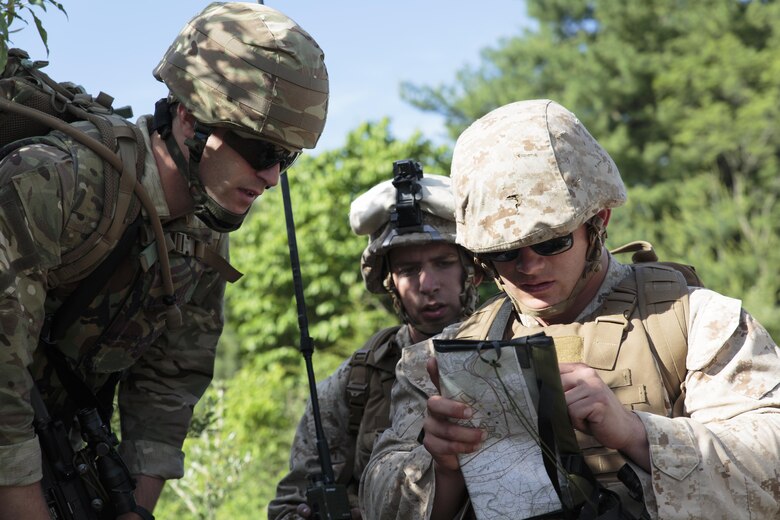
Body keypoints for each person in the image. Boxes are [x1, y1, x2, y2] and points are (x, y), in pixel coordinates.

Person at [359, 99, 780, 519]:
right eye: (505, 252)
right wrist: (442, 467)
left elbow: (769, 465)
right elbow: (377, 503)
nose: (529, 265)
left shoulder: (699, 322)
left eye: (551, 242)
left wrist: (637, 434)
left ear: (599, 221)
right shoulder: (441, 358)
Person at [0, 3, 328, 519]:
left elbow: (170, 381)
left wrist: (134, 505)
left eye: (287, 158)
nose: (272, 178)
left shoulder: (202, 240)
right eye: (262, 151)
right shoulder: (55, 185)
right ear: (189, 119)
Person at [268, 169, 483, 520]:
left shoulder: (511, 349)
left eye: (443, 263)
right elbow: (289, 505)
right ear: (390, 283)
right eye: (409, 270)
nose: (427, 284)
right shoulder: (356, 383)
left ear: (470, 270)